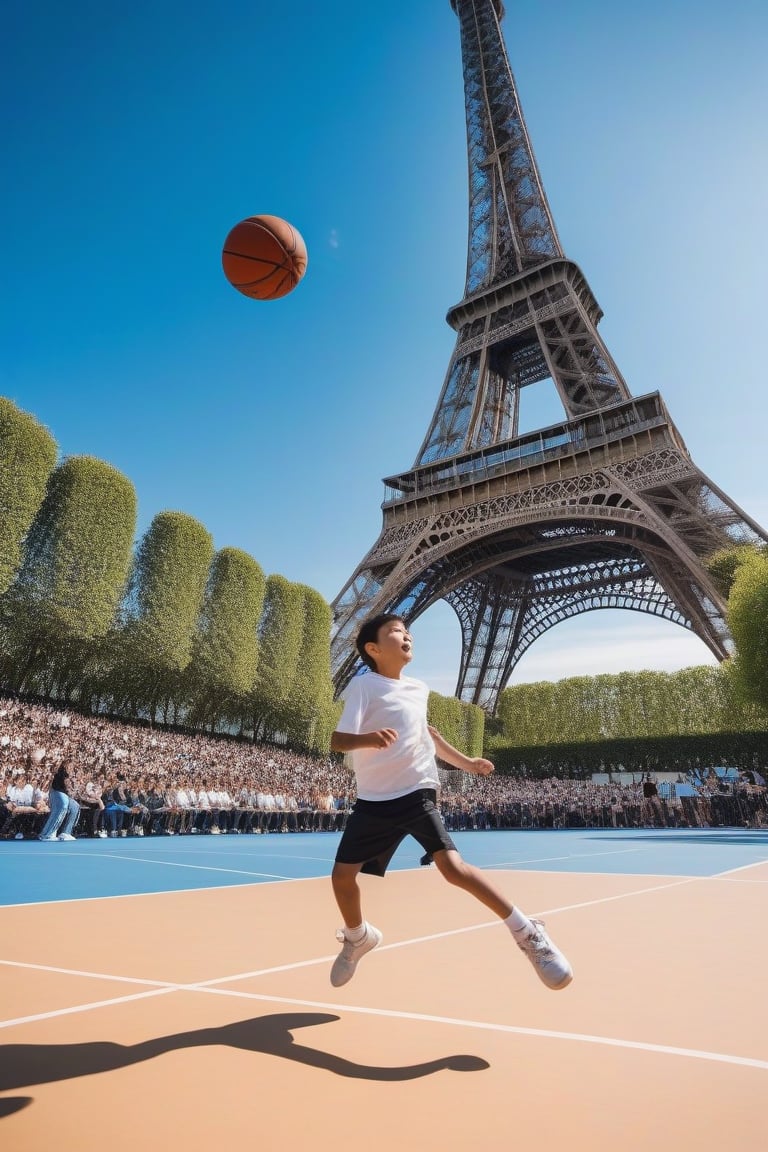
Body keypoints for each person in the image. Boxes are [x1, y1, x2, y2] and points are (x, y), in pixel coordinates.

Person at [328, 614, 573, 990]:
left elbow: (429, 738)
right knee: (342, 879)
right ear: (373, 649)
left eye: (408, 631)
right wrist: (369, 739)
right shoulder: (364, 687)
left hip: (416, 791)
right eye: (396, 631)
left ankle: (527, 932)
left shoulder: (419, 689)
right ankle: (359, 936)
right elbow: (338, 741)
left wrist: (467, 762)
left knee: (453, 868)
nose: (406, 635)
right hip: (374, 798)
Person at [38, 761, 81, 841]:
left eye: (72, 766)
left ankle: (66, 832)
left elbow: (70, 790)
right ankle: (47, 834)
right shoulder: (59, 773)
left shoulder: (71, 776)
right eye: (69, 766)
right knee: (62, 807)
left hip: (65, 795)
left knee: (75, 806)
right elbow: (60, 785)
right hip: (57, 793)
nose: (71, 768)